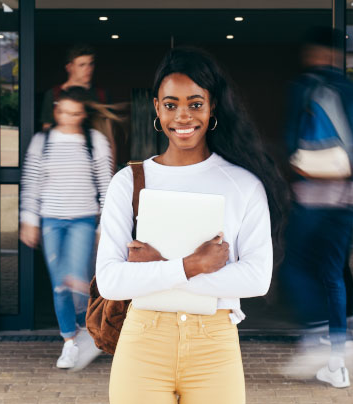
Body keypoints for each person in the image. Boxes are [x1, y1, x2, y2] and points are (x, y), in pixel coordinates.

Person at [95, 47, 287, 404]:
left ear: (212, 106)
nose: (183, 116)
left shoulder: (243, 184)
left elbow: (257, 278)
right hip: (143, 343)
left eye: (195, 104)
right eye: (171, 105)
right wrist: (192, 265)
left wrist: (158, 270)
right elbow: (110, 280)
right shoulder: (129, 181)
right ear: (156, 108)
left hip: (213, 346)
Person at [281, 27, 353, 388]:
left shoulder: (307, 85)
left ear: (313, 52)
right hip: (351, 197)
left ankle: (316, 336)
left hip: (315, 193)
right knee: (332, 273)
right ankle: (338, 360)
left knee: (293, 267)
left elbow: (290, 141)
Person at [20, 87, 113, 369]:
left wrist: (104, 225)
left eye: (75, 113)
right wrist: (29, 220)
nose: (69, 118)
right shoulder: (42, 141)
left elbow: (106, 183)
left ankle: (89, 330)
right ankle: (70, 343)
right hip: (50, 220)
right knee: (60, 284)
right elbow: (31, 181)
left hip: (83, 220)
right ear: (57, 110)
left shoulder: (94, 141)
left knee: (74, 276)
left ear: (83, 114)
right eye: (64, 112)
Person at [40, 44, 107, 131]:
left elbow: (109, 129)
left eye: (91, 64)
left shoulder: (101, 94)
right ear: (69, 67)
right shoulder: (54, 94)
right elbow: (46, 129)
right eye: (82, 65)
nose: (88, 69)